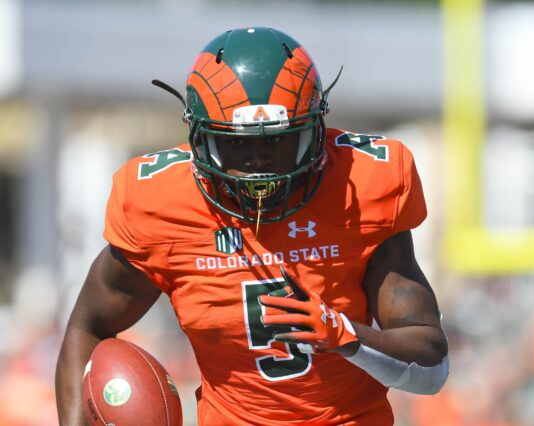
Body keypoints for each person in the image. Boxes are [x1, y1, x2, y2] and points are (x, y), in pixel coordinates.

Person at [55, 27, 449, 425]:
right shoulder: (158, 204)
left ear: (313, 131)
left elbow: (432, 370)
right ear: (200, 138)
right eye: (237, 143)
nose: (257, 161)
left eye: (277, 141)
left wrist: (346, 335)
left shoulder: (362, 187)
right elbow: (87, 329)